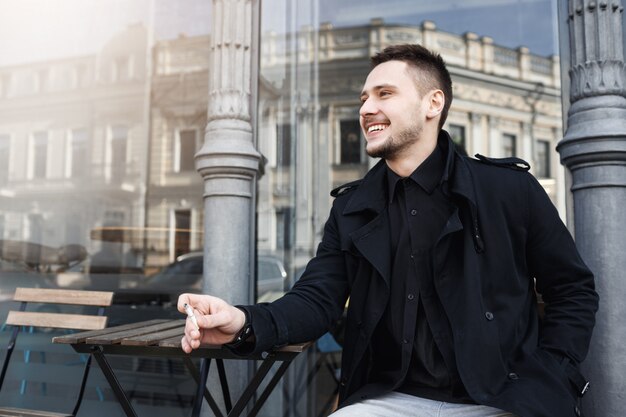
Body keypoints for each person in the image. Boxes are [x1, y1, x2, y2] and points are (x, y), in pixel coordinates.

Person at [178, 44, 598, 417]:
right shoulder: (352, 207)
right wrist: (244, 321)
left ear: (433, 103)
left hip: (504, 399)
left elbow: (572, 289)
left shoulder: (507, 190)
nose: (364, 109)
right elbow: (316, 301)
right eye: (363, 98)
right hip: (388, 399)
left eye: (384, 94)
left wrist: (553, 372)